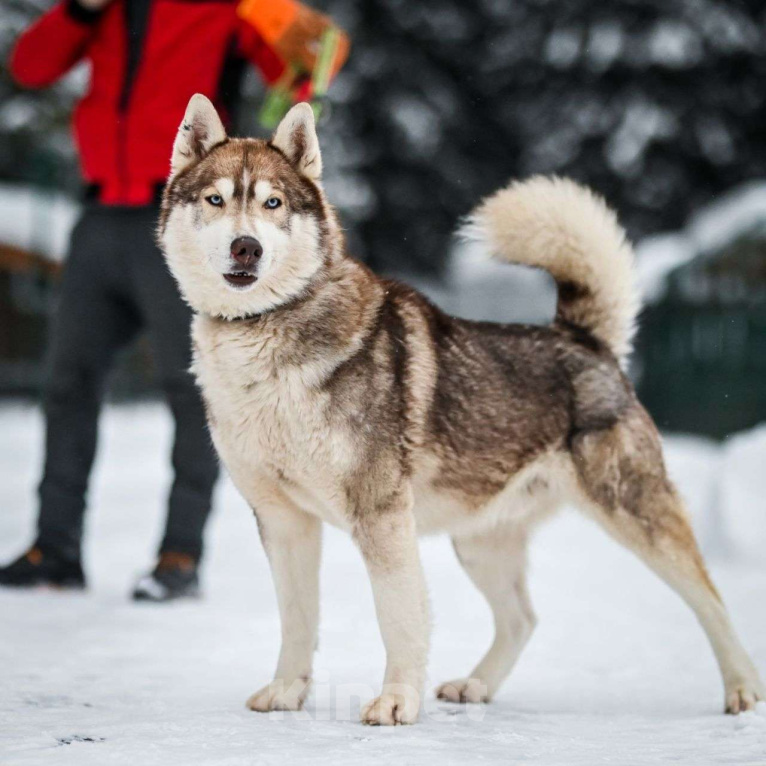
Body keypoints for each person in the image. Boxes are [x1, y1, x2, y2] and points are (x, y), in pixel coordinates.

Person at [0, 0, 343, 600]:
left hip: (188, 216)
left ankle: (179, 556)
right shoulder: (99, 9)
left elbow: (316, 57)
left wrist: (291, 63)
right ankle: (54, 549)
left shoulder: (231, 6)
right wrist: (80, 11)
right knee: (67, 384)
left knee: (193, 392)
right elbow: (29, 67)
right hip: (100, 215)